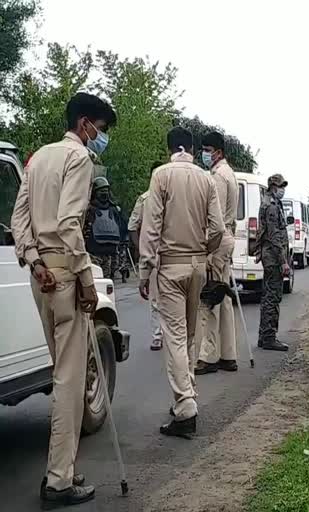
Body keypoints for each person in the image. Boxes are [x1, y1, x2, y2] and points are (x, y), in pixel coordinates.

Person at [11, 92, 117, 507]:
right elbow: (71, 225)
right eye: (101, 130)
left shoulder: (37, 160)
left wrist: (34, 261)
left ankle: (63, 470)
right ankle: (59, 480)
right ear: (86, 123)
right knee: (70, 381)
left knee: (62, 372)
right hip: (67, 272)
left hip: (41, 275)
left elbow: (20, 220)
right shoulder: (79, 160)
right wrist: (86, 280)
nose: (100, 138)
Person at [138, 127, 226, 439]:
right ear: (191, 149)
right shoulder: (206, 178)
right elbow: (218, 228)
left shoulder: (161, 176)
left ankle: (185, 405)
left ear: (169, 149)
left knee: (174, 336)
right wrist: (206, 249)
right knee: (190, 333)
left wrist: (145, 270)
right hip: (198, 264)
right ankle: (187, 391)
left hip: (171, 265)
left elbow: (151, 228)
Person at [195, 132, 238, 374]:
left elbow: (216, 219)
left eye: (208, 149)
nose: (205, 154)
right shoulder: (228, 173)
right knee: (224, 298)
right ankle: (228, 354)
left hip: (218, 240)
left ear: (218, 152)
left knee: (209, 300)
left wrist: (208, 251)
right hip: (227, 238)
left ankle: (208, 357)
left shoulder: (218, 177)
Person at [128, 161, 164, 350]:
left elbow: (132, 227)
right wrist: (141, 248)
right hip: (160, 253)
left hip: (162, 253)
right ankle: (160, 335)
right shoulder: (145, 199)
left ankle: (162, 335)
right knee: (159, 298)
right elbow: (132, 227)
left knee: (161, 299)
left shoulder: (159, 197)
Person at [257, 174, 291, 351]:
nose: (282, 189)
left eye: (283, 186)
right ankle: (269, 336)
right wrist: (284, 261)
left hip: (271, 256)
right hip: (273, 257)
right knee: (273, 297)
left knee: (268, 296)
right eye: (280, 186)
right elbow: (274, 236)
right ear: (272, 186)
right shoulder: (270, 205)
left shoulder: (273, 203)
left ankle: (264, 335)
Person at [83, 176, 121, 280]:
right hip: (94, 252)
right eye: (101, 191)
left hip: (107, 253)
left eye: (106, 190)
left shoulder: (112, 209)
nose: (104, 193)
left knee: (103, 280)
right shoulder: (89, 210)